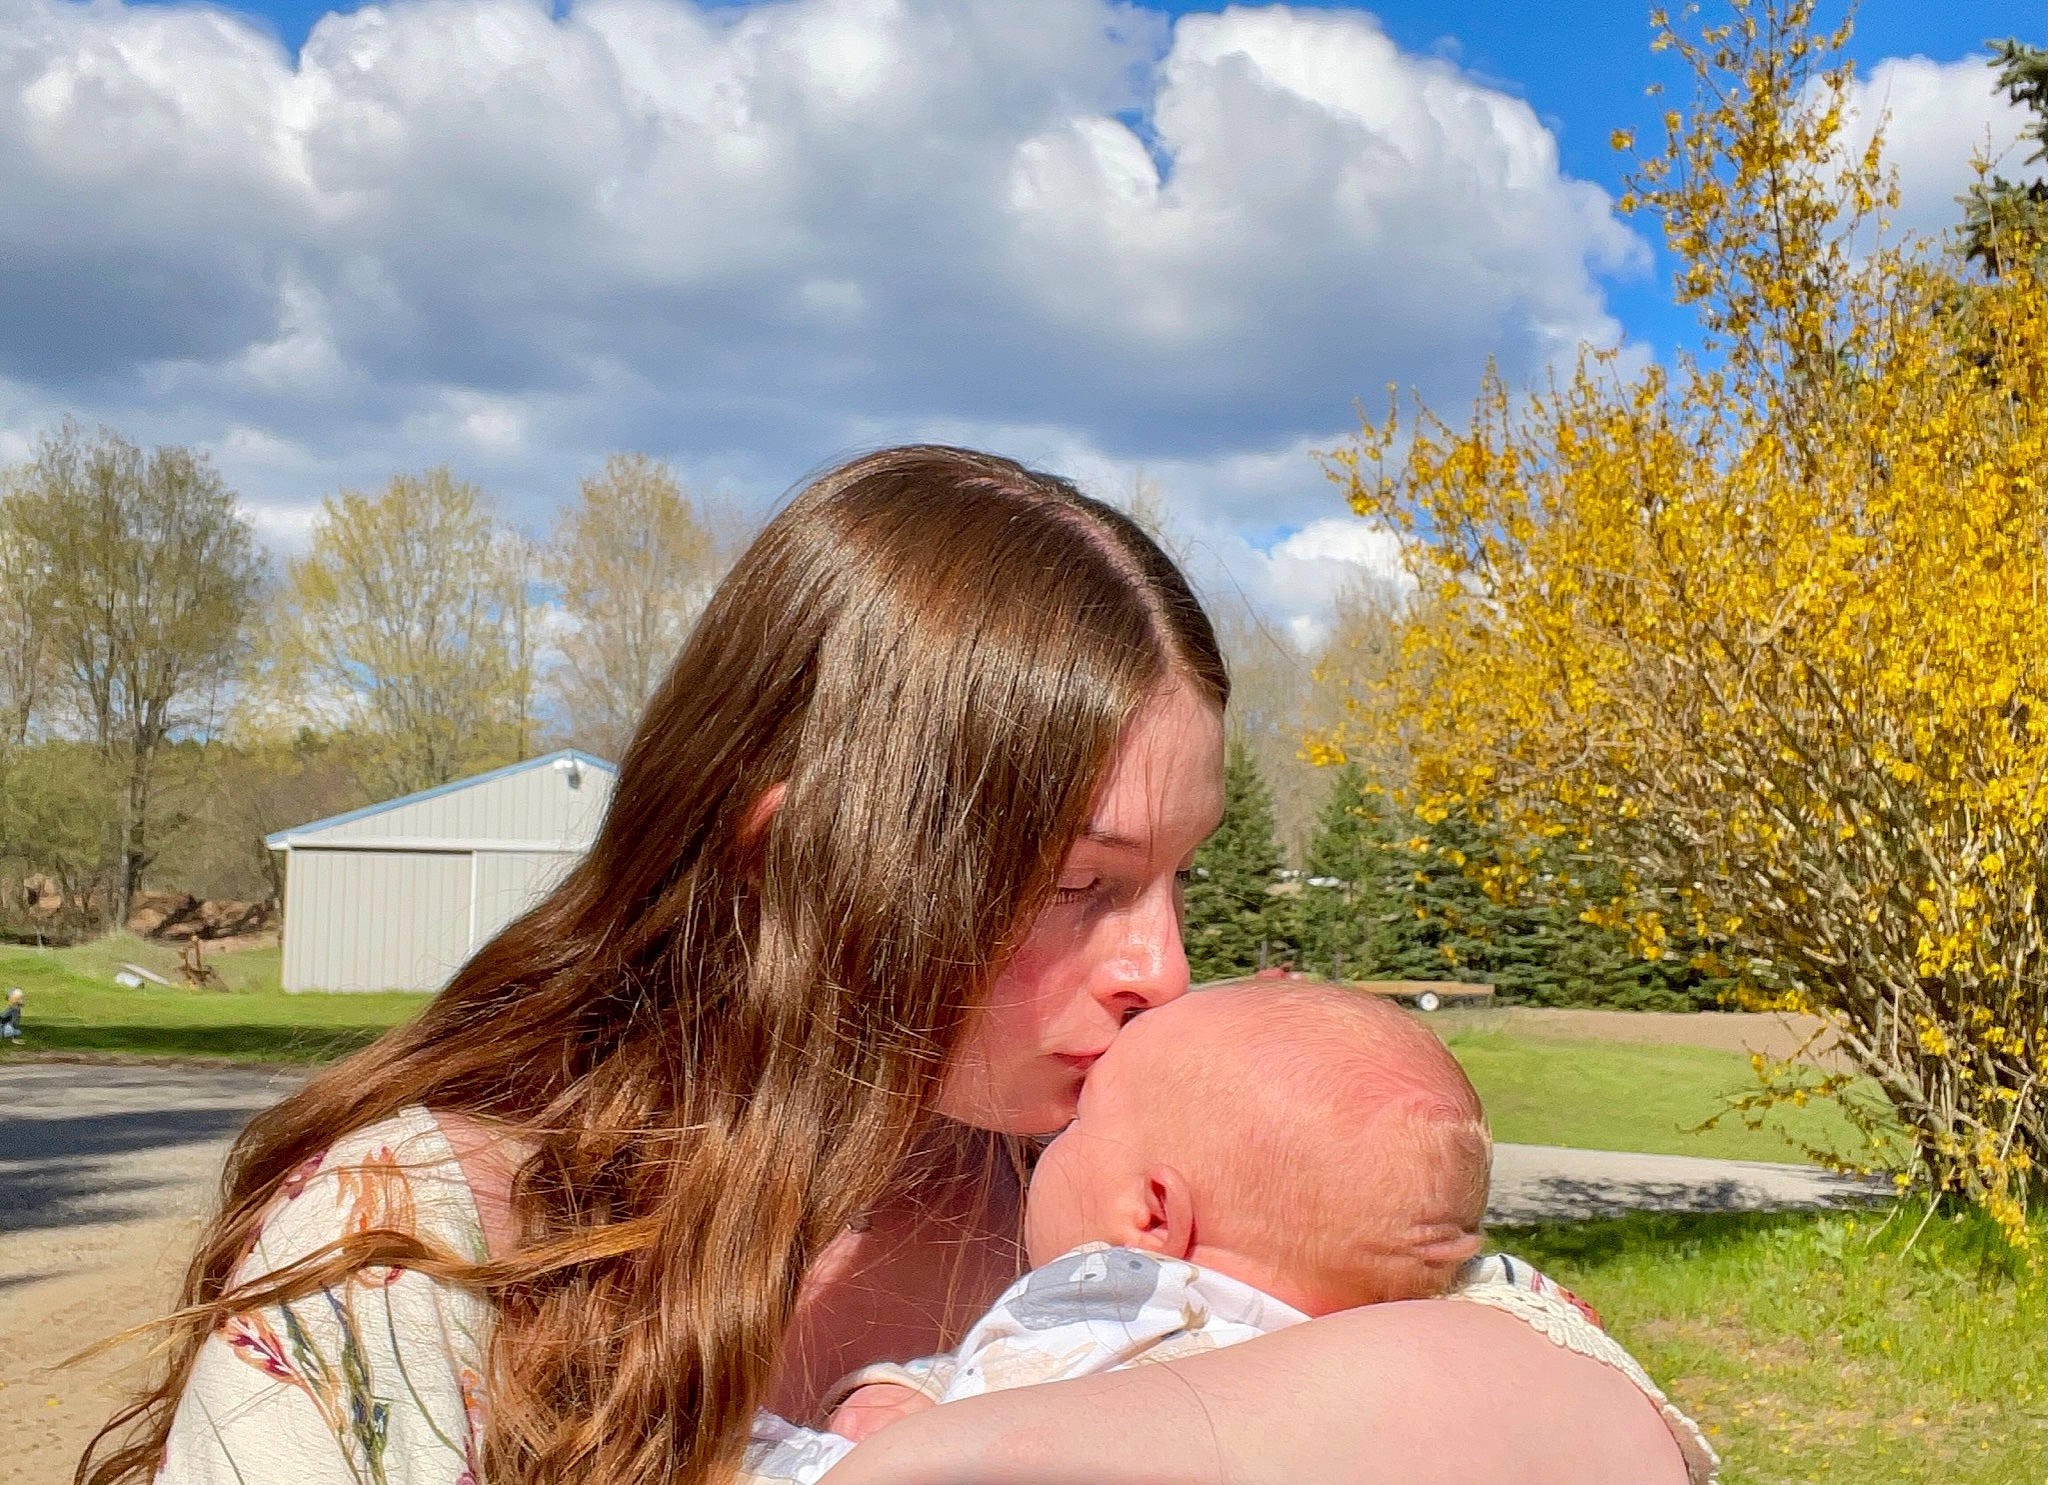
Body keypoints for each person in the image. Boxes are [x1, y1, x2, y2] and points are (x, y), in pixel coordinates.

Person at [86, 446, 1689, 1485]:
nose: (1165, 969)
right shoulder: (426, 1245)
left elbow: (1617, 1437)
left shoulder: (1146, 1188)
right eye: (1081, 884)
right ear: (797, 860)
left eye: (1179, 877)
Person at [744, 985, 1712, 1485]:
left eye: (1078, 1123)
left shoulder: (1114, 1304)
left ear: (1153, 1217)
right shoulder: (1447, 1317)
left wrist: (885, 1401)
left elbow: (959, 1441)